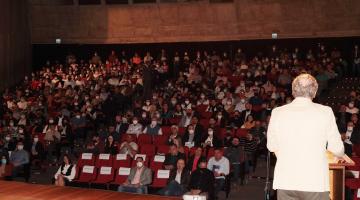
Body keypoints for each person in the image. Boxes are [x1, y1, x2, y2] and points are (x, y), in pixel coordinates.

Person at [267, 74, 345, 200]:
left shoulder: (278, 112)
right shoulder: (325, 111)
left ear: (293, 91)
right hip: (314, 182)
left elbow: (271, 146)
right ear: (314, 91)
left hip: (286, 181)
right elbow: (337, 148)